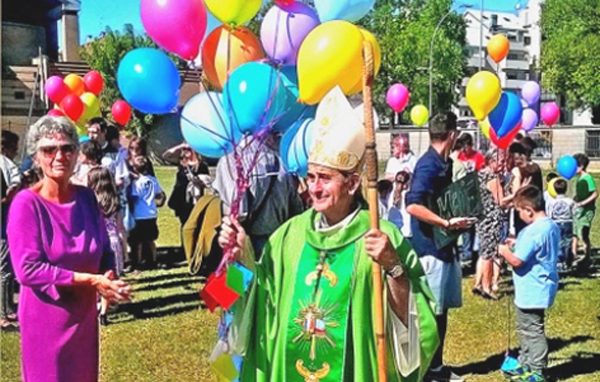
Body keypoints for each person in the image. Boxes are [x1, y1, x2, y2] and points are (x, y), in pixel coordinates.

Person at [216, 88, 439, 381]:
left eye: (325, 178)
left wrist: (393, 267)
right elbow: (256, 305)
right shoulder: (288, 237)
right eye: (310, 177)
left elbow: (419, 327)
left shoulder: (382, 237)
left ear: (352, 184)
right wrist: (238, 260)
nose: (314, 188)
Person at [7, 116, 131, 382]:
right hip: (45, 321)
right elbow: (28, 270)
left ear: (77, 154)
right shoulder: (26, 204)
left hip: (83, 320)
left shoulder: (86, 197)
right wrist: (90, 280)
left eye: (67, 148)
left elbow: (104, 249)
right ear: (36, 156)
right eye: (49, 149)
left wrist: (109, 278)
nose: (59, 156)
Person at [406, 111, 474, 382]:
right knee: (429, 316)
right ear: (453, 135)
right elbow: (412, 204)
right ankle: (424, 373)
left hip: (445, 247)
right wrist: (444, 222)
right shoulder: (428, 165)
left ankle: (436, 370)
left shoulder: (444, 162)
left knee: (441, 313)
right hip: (429, 251)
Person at [499, 185, 559, 382]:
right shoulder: (550, 226)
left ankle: (537, 370)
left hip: (531, 290)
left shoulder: (532, 231)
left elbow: (517, 261)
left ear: (529, 211)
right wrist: (515, 244)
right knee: (526, 327)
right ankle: (526, 362)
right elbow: (535, 250)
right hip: (543, 287)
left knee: (532, 331)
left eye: (519, 212)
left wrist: (504, 251)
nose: (519, 216)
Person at [213, 133, 304, 255]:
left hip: (245, 242)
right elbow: (296, 209)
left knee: (240, 272)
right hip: (281, 242)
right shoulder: (283, 158)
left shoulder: (231, 160)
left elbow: (236, 213)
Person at [88, 166, 128, 325]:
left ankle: (93, 307)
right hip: (113, 242)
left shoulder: (89, 202)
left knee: (95, 277)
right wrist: (125, 250)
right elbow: (120, 229)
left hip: (94, 242)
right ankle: (104, 312)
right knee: (109, 278)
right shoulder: (115, 201)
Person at [473, 149, 505, 300]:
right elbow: (501, 201)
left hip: (481, 217)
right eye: (501, 162)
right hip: (491, 219)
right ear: (492, 161)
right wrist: (517, 195)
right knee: (489, 254)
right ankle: (487, 287)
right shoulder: (492, 177)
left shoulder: (480, 174)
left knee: (483, 252)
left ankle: (478, 283)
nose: (503, 165)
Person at [128, 154, 166, 270]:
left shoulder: (136, 183)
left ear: (135, 169)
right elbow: (159, 194)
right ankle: (153, 260)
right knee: (151, 240)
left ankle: (138, 262)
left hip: (139, 214)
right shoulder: (153, 180)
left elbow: (134, 196)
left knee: (138, 241)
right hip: (151, 213)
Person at [163, 143, 212, 226]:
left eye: (189, 149)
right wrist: (180, 146)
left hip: (195, 198)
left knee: (196, 223)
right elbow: (166, 156)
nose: (186, 151)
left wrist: (198, 180)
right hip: (181, 198)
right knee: (184, 223)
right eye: (184, 149)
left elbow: (208, 182)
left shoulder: (202, 165)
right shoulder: (181, 162)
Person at [1, 130, 21, 330]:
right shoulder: (6, 164)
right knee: (5, 269)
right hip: (3, 219)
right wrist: (7, 200)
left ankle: (7, 307)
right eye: (14, 147)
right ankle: (4, 311)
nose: (16, 151)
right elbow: (15, 184)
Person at [572, 153, 597, 267]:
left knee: (583, 234)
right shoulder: (579, 179)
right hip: (579, 209)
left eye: (574, 166)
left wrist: (583, 203)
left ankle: (587, 257)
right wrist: (575, 200)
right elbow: (579, 195)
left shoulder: (587, 178)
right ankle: (573, 255)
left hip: (587, 211)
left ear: (581, 166)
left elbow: (595, 194)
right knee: (574, 232)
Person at [546, 178, 575, 270]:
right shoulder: (570, 201)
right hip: (568, 223)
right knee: (567, 242)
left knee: (557, 242)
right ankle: (567, 261)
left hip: (556, 223)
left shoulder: (551, 202)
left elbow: (549, 214)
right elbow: (574, 212)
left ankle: (559, 262)